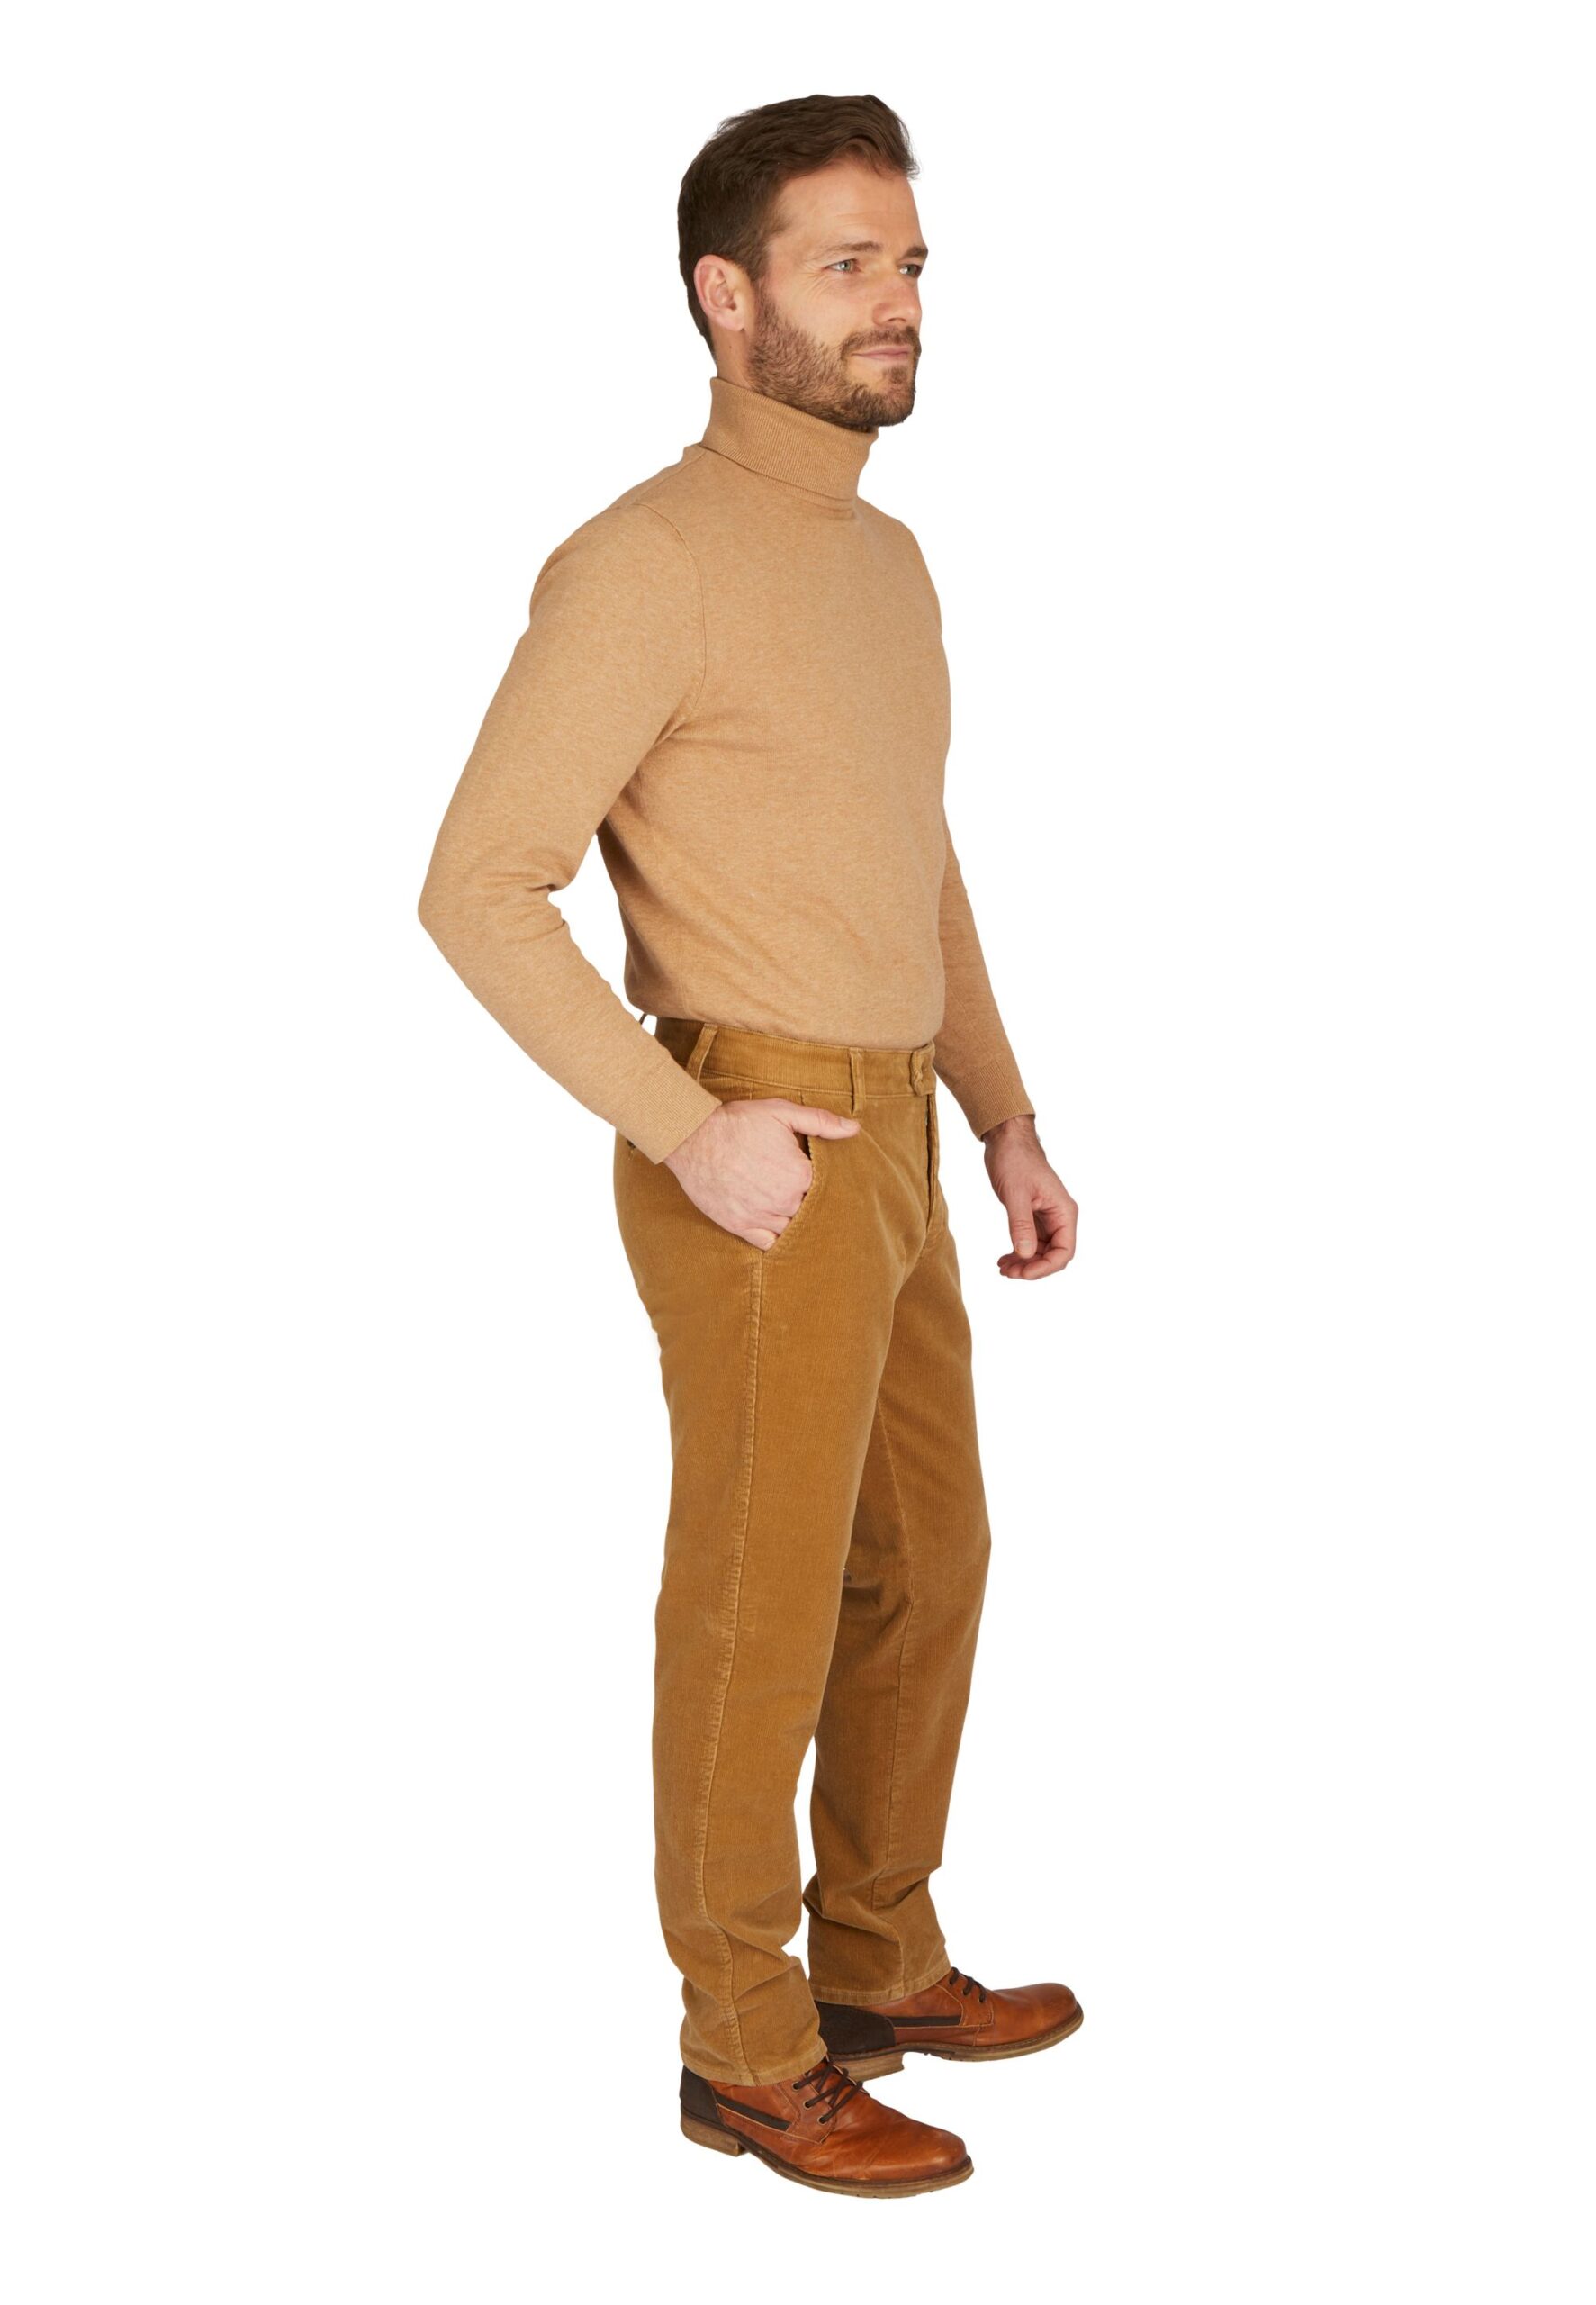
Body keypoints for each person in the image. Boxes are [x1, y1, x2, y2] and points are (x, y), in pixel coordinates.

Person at [419, 92, 1082, 2199]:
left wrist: (1000, 1111)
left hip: (891, 1125)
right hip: (755, 1123)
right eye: (842, 264)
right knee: (758, 1599)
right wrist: (684, 1124)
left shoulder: (883, 562)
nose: (895, 304)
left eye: (909, 264)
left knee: (927, 1560)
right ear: (725, 297)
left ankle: (877, 1959)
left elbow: (913, 861)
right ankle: (744, 2048)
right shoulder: (644, 560)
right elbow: (475, 885)